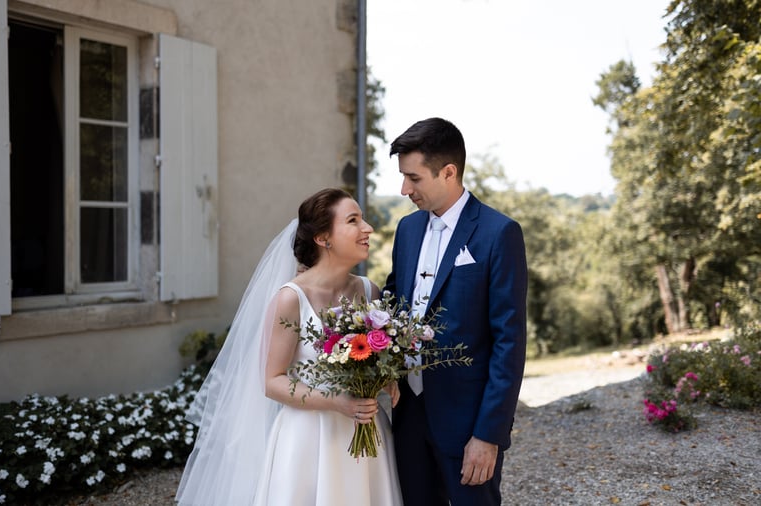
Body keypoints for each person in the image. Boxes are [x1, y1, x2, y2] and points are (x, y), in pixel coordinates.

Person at [176, 188, 403, 505]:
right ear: (323, 238)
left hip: (366, 431)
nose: (367, 229)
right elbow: (272, 381)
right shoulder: (290, 299)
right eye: (354, 220)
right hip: (308, 438)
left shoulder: (370, 291)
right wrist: (335, 401)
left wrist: (387, 378)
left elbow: (377, 357)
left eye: (363, 219)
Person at [384, 117, 528, 506]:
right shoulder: (407, 230)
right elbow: (394, 302)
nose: (404, 189)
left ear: (449, 172)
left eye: (414, 178)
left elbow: (509, 343)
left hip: (468, 425)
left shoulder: (499, 233)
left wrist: (489, 435)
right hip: (409, 416)